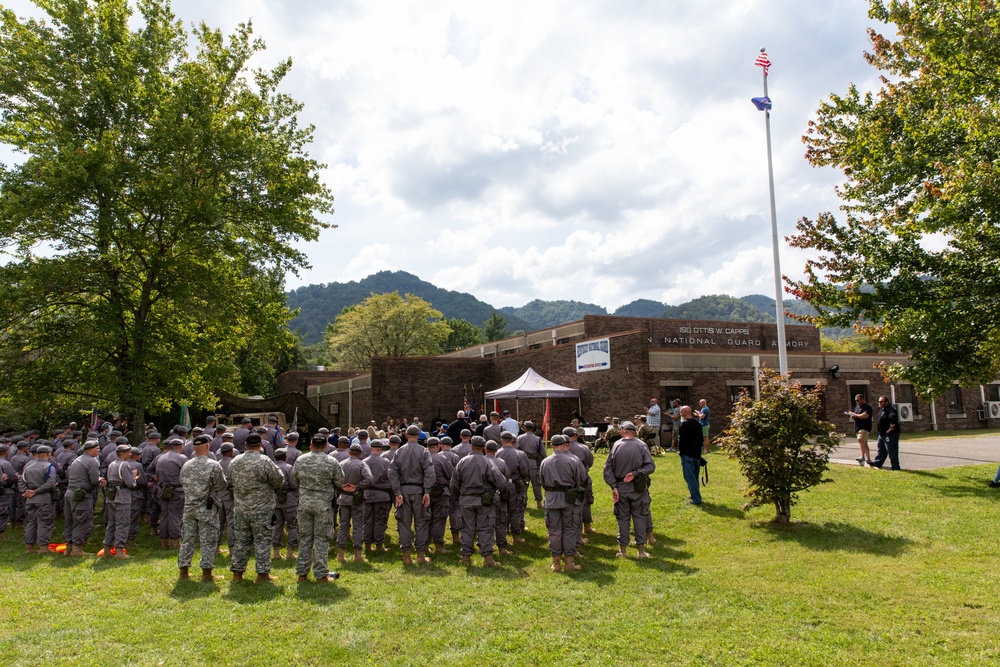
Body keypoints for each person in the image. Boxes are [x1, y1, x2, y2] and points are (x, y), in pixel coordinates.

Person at [228, 433, 284, 582]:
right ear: (261, 445)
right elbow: (279, 481)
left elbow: (229, 481)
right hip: (262, 510)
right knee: (262, 541)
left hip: (241, 509)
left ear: (245, 445)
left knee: (241, 541)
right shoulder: (264, 461)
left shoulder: (235, 461)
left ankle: (237, 574)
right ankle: (262, 574)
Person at [291, 432, 345, 583]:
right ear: (326, 445)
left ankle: (302, 575)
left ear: (311, 444)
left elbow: (294, 479)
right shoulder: (331, 461)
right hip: (323, 506)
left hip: (305, 505)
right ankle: (321, 575)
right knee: (321, 540)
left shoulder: (301, 460)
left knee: (305, 539)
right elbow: (340, 482)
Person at [449, 435, 508, 567]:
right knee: (486, 529)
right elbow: (501, 482)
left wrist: (457, 498)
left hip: (466, 500)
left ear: (471, 446)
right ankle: (488, 559)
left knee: (466, 529)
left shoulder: (462, 462)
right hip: (484, 501)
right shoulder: (489, 462)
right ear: (484, 448)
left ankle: (466, 559)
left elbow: (453, 484)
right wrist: (502, 494)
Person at [602, 421, 655, 559]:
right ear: (635, 432)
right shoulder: (642, 445)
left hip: (621, 488)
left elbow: (607, 469)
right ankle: (641, 552)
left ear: (622, 432)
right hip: (638, 489)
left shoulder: (616, 446)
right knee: (639, 517)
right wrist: (636, 473)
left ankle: (623, 551)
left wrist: (613, 486)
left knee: (623, 519)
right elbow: (650, 466)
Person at [177, 435, 227, 581]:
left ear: (193, 448)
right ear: (208, 446)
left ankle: (183, 572)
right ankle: (206, 573)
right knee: (208, 540)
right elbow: (220, 485)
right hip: (207, 507)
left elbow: (183, 482)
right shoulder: (213, 464)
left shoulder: (186, 465)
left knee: (188, 539)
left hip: (189, 507)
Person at [387, 424, 435, 566]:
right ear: (419, 435)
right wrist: (427, 491)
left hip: (403, 491)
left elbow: (392, 472)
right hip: (419, 491)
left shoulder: (399, 452)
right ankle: (420, 555)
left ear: (406, 435)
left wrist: (397, 492)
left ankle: (407, 556)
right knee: (421, 523)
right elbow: (430, 472)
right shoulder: (424, 451)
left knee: (404, 523)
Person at [539, 434, 588, 572]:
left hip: (552, 499)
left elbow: (542, 481)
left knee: (554, 531)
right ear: (565, 445)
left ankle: (556, 563)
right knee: (569, 530)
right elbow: (581, 479)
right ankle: (569, 563)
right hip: (569, 499)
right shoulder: (574, 460)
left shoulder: (545, 461)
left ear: (552, 445)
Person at [62, 440, 103, 555]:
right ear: (90, 450)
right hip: (81, 496)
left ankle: (68, 547)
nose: (99, 450)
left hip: (70, 493)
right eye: (97, 448)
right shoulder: (91, 461)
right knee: (81, 521)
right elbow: (94, 480)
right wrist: (100, 480)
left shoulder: (77, 459)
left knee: (69, 521)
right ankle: (77, 549)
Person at [336, 442, 373, 564]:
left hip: (343, 498)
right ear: (360, 454)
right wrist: (357, 487)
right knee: (357, 527)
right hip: (356, 499)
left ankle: (340, 554)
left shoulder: (341, 464)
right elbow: (369, 479)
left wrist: (343, 487)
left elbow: (335, 479)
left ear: (349, 452)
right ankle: (357, 554)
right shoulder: (362, 464)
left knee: (343, 526)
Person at [103, 443, 138, 558]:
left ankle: (107, 550)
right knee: (123, 523)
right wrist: (134, 478)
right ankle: (119, 551)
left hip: (111, 497)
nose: (130, 454)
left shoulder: (111, 464)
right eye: (128, 452)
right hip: (122, 498)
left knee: (111, 524)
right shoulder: (124, 465)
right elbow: (130, 483)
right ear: (123, 453)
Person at [496, 431, 530, 544]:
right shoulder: (520, 454)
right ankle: (516, 536)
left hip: (500, 485)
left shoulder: (497, 453)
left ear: (501, 440)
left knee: (502, 509)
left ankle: (504, 530)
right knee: (515, 510)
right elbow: (525, 472)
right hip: (514, 485)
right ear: (512, 440)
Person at [153, 437, 187, 549]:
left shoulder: (160, 458)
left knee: (164, 515)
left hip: (162, 490)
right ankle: (175, 542)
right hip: (177, 491)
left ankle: (164, 542)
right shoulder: (181, 458)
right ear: (181, 447)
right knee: (176, 516)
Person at [362, 439, 393, 552]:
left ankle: (367, 546)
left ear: (370, 449)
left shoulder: (364, 461)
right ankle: (379, 545)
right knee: (380, 520)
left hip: (367, 494)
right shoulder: (386, 462)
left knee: (367, 520)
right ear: (380, 450)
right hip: (382, 494)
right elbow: (391, 478)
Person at [425, 437, 455, 555]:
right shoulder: (442, 458)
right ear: (438, 446)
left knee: (425, 519)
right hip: (441, 493)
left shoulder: (422, 459)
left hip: (425, 493)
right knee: (439, 519)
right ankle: (438, 546)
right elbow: (451, 475)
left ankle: (425, 545)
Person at [271, 448, 299, 561]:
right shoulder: (288, 467)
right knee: (292, 525)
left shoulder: (271, 467)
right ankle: (290, 552)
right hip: (289, 501)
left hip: (275, 500)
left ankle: (276, 552)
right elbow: (293, 484)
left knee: (277, 526)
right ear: (285, 457)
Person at [677, 406, 704, 506]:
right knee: (694, 476)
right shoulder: (698, 424)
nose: (680, 414)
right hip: (696, 454)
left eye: (680, 412)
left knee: (689, 477)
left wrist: (681, 451)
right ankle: (694, 494)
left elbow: (682, 441)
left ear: (684, 413)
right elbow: (701, 440)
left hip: (687, 454)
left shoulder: (684, 425)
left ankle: (696, 499)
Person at [516, 421, 546, 509]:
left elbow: (517, 451)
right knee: (536, 484)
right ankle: (539, 503)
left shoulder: (519, 438)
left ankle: (523, 502)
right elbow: (542, 453)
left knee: (524, 485)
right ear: (533, 428)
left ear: (525, 428)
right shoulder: (537, 439)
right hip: (534, 465)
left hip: (523, 464)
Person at [871, 396, 901, 470]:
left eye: (881, 401)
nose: (880, 403)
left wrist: (890, 429)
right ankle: (877, 463)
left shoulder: (891, 410)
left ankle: (895, 466)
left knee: (892, 450)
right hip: (881, 434)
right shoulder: (881, 410)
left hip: (890, 434)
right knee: (881, 450)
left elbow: (893, 419)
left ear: (886, 402)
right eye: (879, 401)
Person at [847, 394, 874, 466]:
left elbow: (865, 416)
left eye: (858, 400)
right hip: (858, 427)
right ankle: (868, 459)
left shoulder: (867, 407)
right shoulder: (857, 407)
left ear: (862, 399)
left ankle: (862, 457)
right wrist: (853, 416)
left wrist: (855, 414)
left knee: (860, 440)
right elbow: (857, 416)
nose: (856, 402)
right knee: (864, 442)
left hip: (864, 427)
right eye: (855, 400)